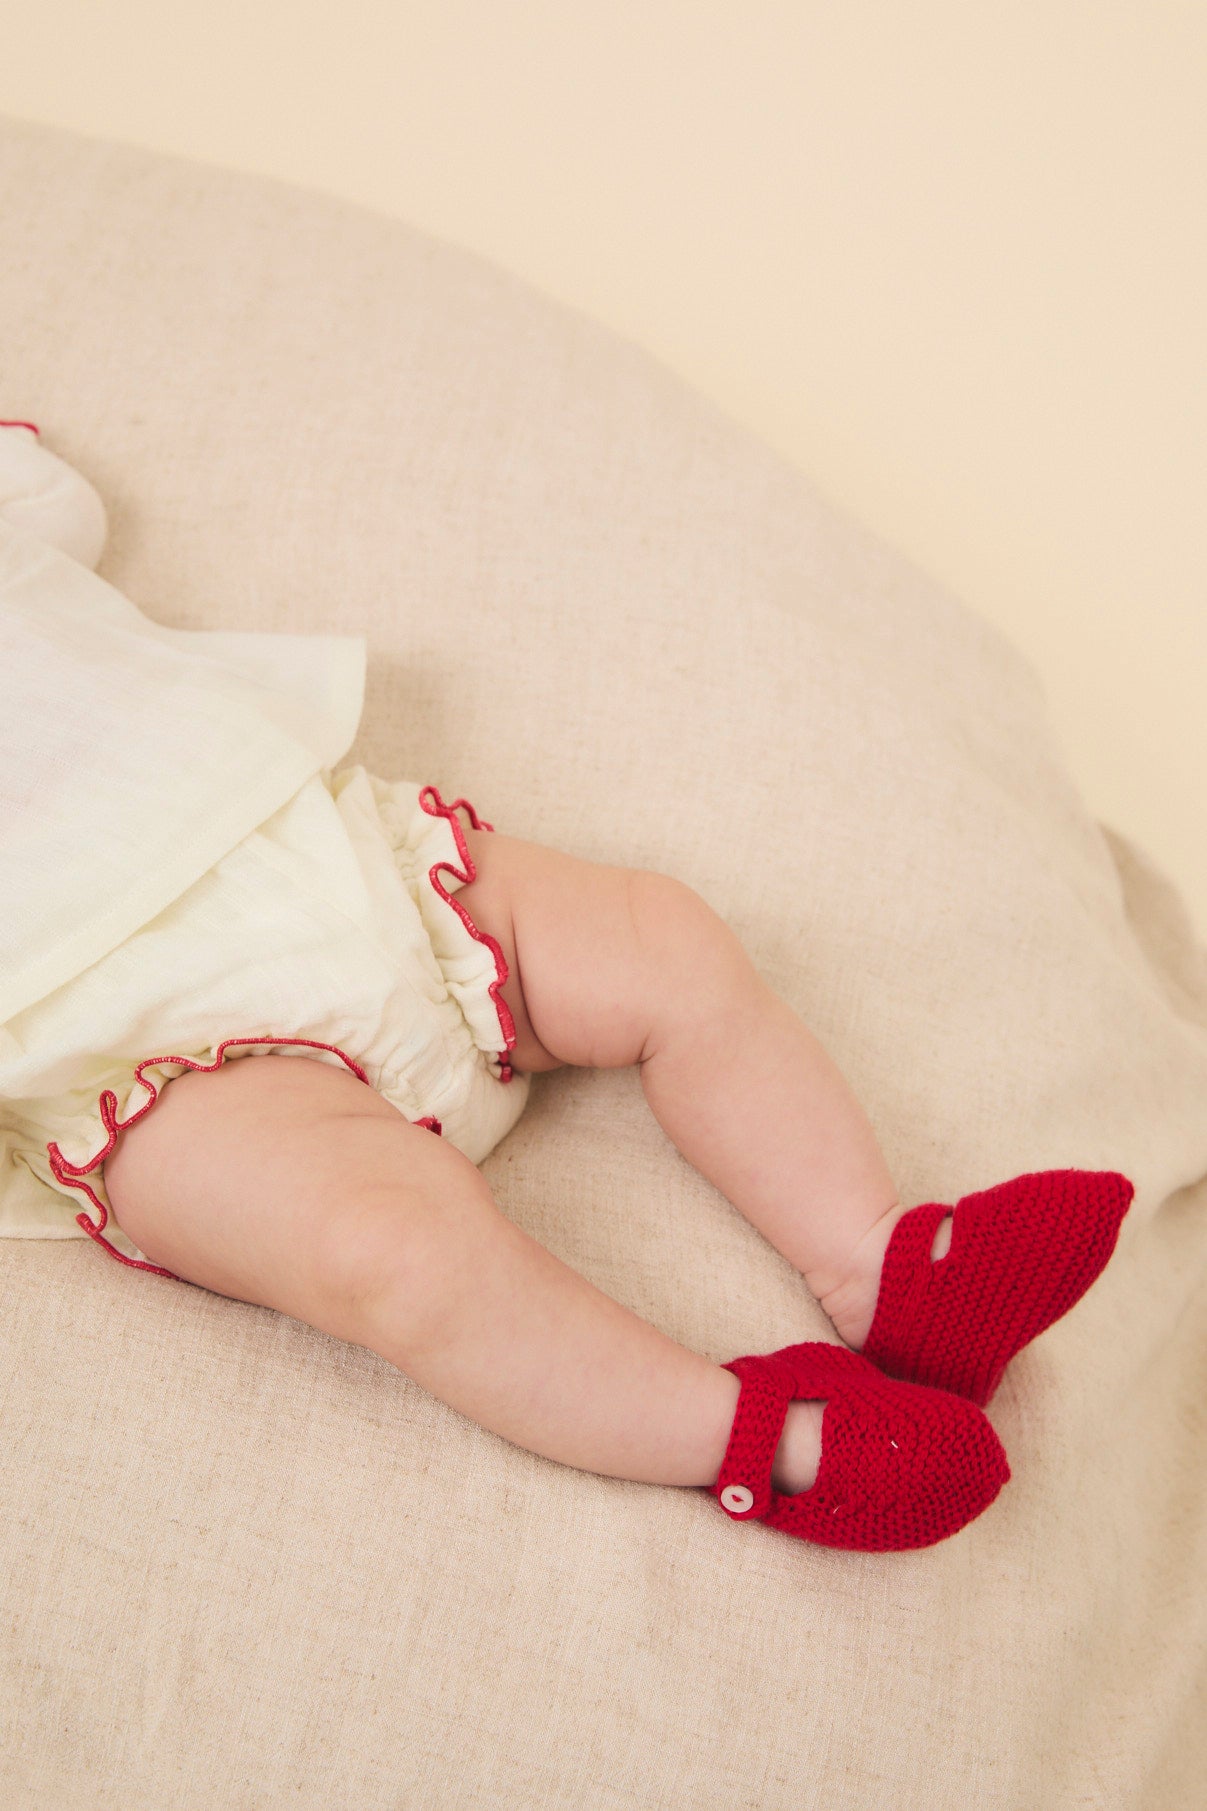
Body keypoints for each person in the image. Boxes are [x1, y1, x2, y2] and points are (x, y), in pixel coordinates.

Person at [0, 420, 1133, 1555]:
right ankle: (761, 1436)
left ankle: (882, 1258)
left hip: (326, 864)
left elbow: (53, 499)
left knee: (662, 935)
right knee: (385, 1247)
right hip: (127, 1053)